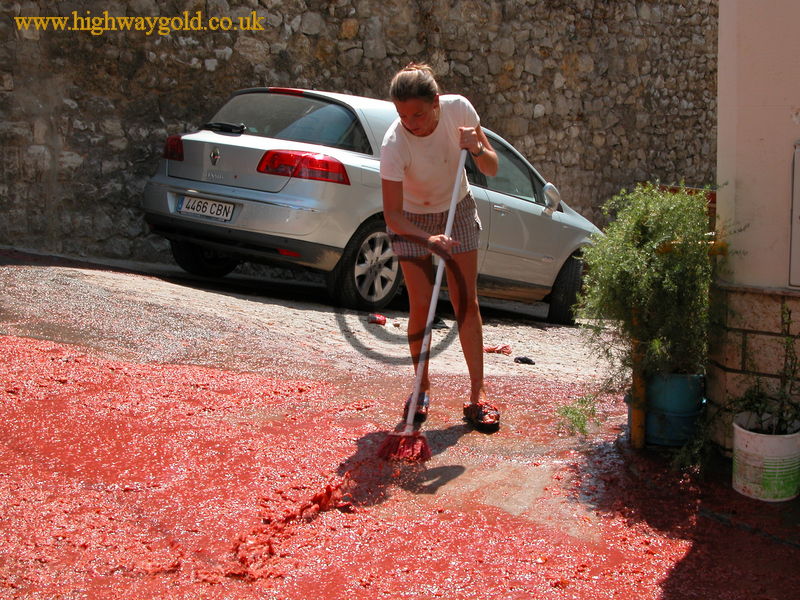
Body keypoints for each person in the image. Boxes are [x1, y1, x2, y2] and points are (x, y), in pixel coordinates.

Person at [380, 63, 501, 432]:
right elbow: (393, 215)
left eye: (417, 114)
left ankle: (477, 395)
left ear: (436, 102)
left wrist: (477, 147)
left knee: (467, 302)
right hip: (412, 221)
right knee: (421, 305)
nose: (410, 123)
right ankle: (422, 388)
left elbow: (493, 168)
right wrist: (428, 239)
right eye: (402, 115)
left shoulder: (459, 111)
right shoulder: (394, 144)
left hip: (457, 207)